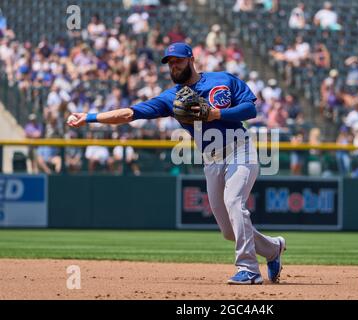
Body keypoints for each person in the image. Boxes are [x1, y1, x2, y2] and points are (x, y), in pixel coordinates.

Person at [68, 42, 286, 285]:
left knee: (234, 202)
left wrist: (216, 114)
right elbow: (130, 114)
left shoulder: (222, 79)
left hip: (241, 151)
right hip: (211, 161)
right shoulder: (170, 98)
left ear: (191, 59)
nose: (174, 66)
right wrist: (88, 117)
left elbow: (250, 109)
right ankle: (273, 249)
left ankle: (248, 269)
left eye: (178, 61)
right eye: (170, 63)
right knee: (228, 230)